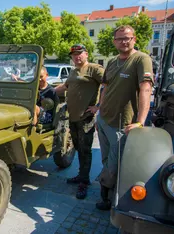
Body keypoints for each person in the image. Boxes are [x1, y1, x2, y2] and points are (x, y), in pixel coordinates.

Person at [95, 25, 153, 210]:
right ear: (114, 42)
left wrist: (141, 121)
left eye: (127, 38)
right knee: (106, 159)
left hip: (123, 122)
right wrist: (99, 111)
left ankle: (107, 197)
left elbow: (146, 88)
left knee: (114, 163)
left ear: (134, 39)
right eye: (120, 38)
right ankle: (109, 191)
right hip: (104, 119)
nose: (124, 41)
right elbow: (105, 87)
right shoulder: (112, 62)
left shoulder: (141, 59)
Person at [55, 44, 105, 199]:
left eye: (79, 54)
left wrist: (98, 106)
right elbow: (65, 87)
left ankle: (84, 181)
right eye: (74, 55)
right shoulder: (73, 71)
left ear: (86, 54)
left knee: (85, 150)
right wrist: (42, 90)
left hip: (86, 118)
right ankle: (81, 175)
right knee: (77, 148)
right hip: (74, 117)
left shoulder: (95, 69)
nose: (76, 57)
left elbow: (108, 86)